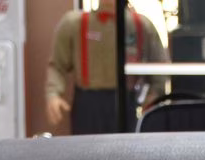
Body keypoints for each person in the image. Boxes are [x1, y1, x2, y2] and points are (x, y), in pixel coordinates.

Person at [45, 0, 169, 136]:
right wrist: (53, 94)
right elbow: (57, 66)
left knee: (125, 150)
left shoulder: (141, 25)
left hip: (127, 102)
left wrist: (154, 95)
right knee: (86, 151)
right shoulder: (75, 23)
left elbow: (159, 68)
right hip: (88, 105)